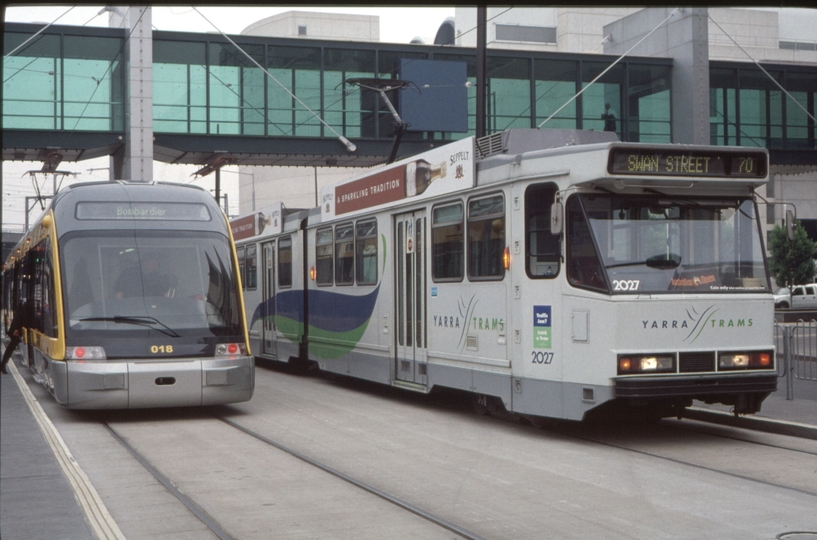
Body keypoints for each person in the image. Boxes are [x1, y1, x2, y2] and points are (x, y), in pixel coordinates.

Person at [1, 299, 34, 375]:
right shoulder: (25, 307)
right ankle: (3, 364)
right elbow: (19, 319)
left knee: (11, 347)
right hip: (15, 330)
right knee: (11, 347)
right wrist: (16, 329)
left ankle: (3, 364)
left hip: (16, 329)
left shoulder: (22, 306)